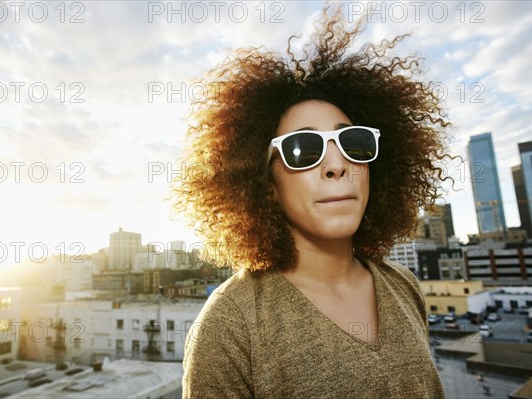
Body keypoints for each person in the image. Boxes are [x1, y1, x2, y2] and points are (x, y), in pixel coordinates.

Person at [174, 4, 449, 398]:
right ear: (266, 183)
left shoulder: (403, 285)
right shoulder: (230, 322)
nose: (337, 165)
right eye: (304, 149)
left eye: (353, 144)